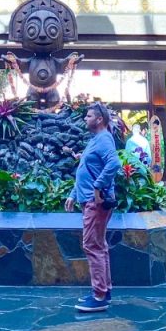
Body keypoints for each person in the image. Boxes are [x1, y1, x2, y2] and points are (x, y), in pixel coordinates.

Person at [64, 102, 119, 313]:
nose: (85, 119)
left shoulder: (104, 139)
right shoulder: (96, 139)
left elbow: (113, 164)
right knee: (99, 245)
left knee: (92, 246)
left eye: (88, 116)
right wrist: (73, 194)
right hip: (88, 198)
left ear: (99, 119)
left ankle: (99, 296)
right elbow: (85, 168)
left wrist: (97, 187)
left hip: (95, 202)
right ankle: (104, 290)